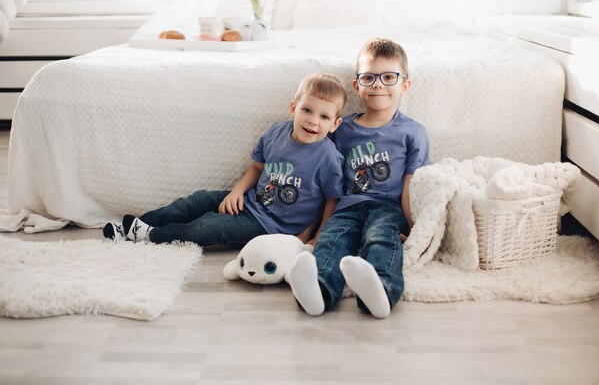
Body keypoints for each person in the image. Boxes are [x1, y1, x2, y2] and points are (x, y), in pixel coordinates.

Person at [103, 72, 346, 247]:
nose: (313, 121)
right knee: (197, 201)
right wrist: (236, 192)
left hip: (272, 226)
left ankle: (151, 235)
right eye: (307, 110)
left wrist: (316, 235)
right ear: (294, 109)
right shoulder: (277, 133)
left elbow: (331, 200)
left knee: (209, 226)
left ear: (335, 124)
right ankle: (135, 224)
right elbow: (257, 167)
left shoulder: (328, 158)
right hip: (250, 201)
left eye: (324, 116)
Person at [287, 38, 430, 318]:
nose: (378, 85)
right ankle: (319, 290)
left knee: (381, 239)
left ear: (405, 85)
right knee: (332, 240)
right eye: (369, 77)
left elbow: (413, 182)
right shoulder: (341, 128)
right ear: (357, 85)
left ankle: (381, 291)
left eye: (389, 77)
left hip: (387, 208)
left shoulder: (413, 132)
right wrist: (315, 228)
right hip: (347, 206)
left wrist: (413, 225)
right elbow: (323, 173)